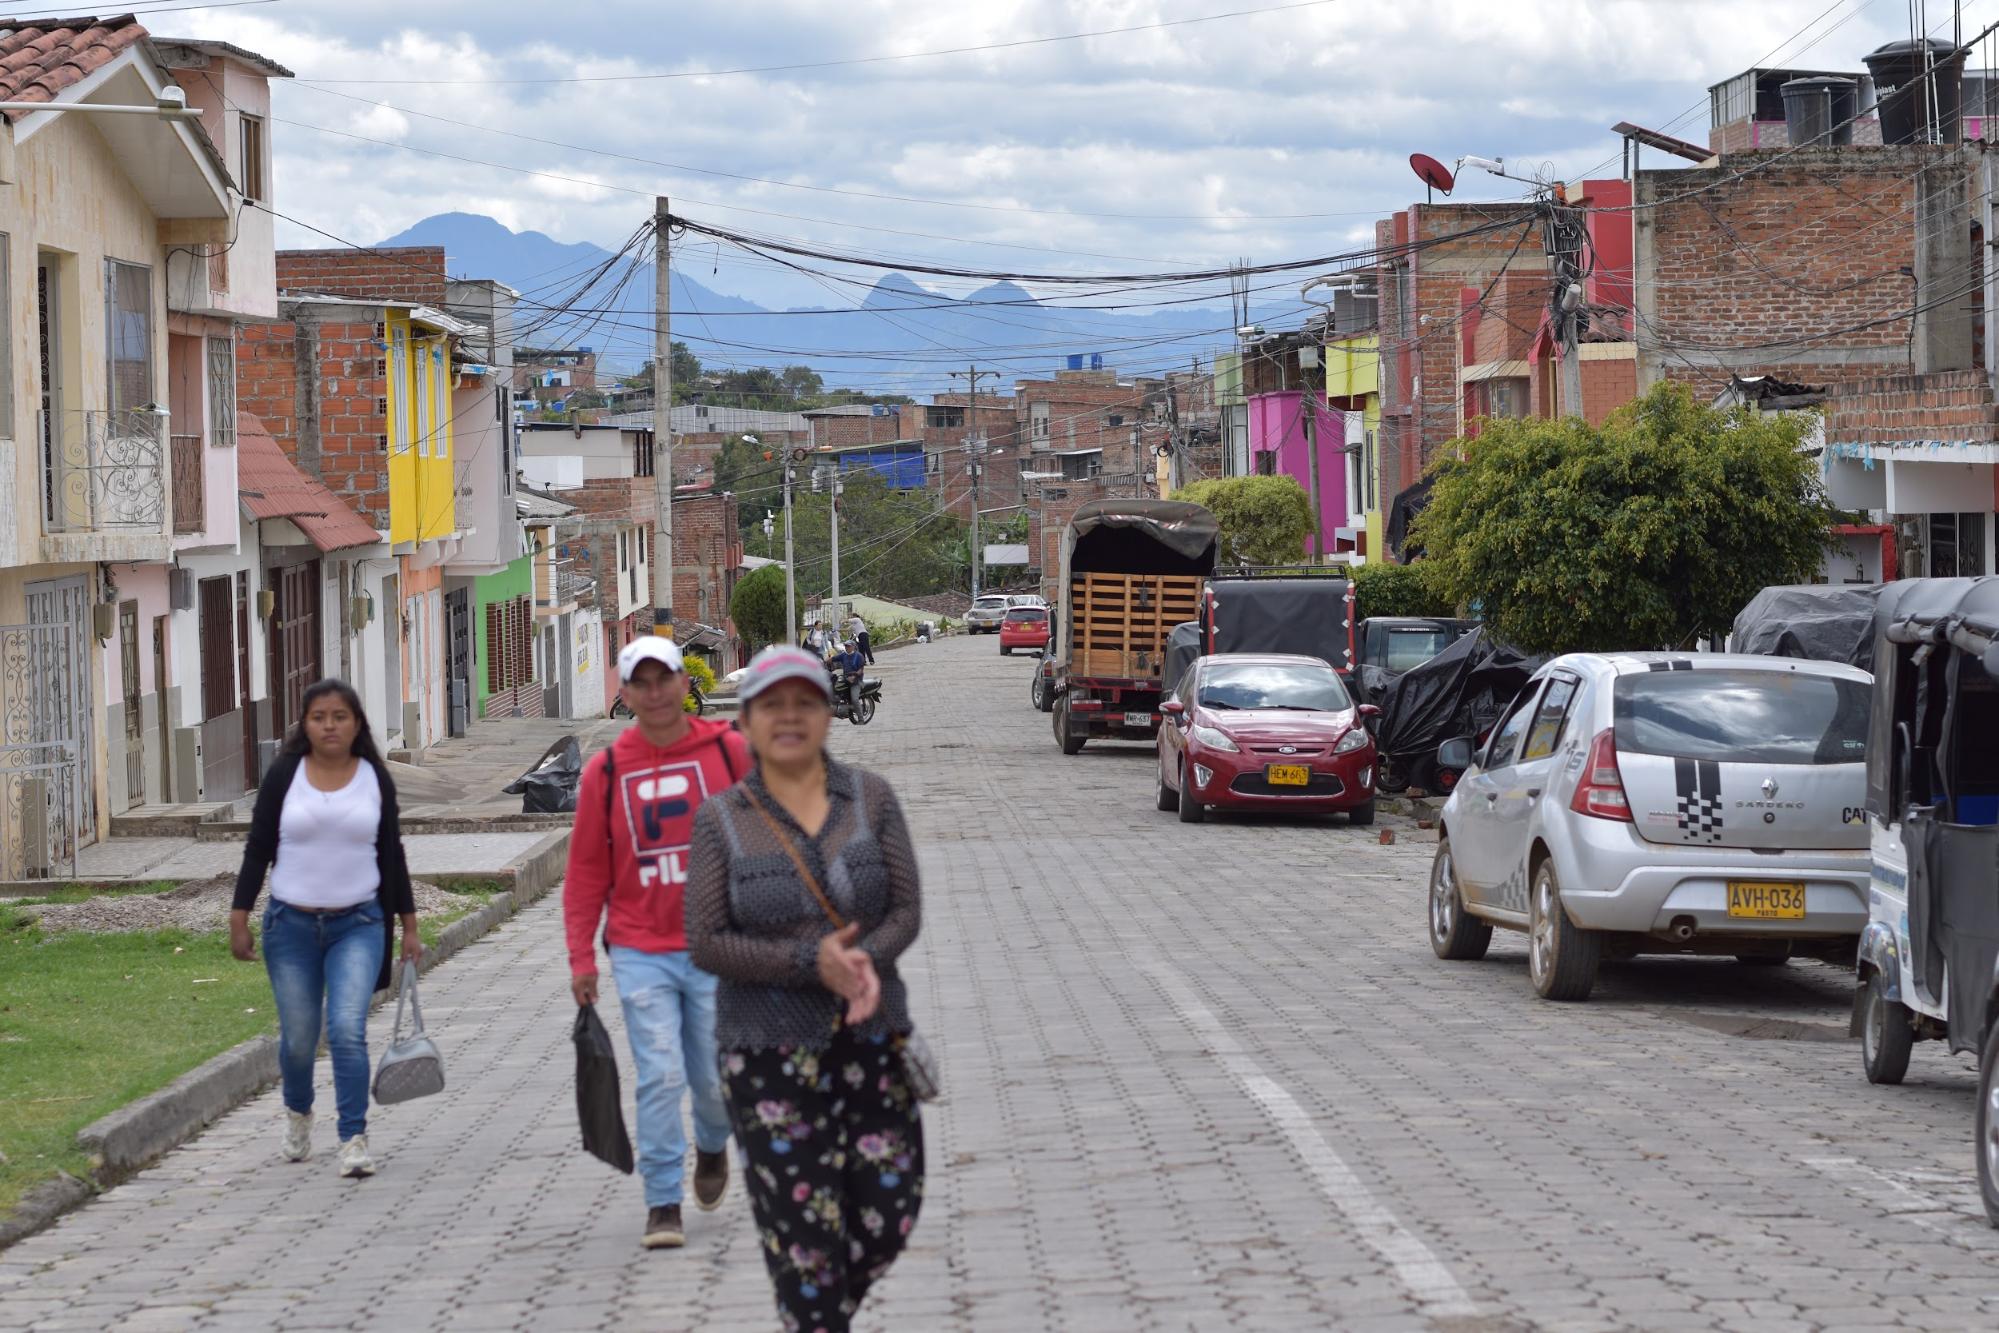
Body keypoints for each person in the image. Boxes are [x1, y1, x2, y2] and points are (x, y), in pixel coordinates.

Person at [687, 645, 926, 1333]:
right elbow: (705, 938)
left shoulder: (871, 797)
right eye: (772, 704)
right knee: (803, 1233)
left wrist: (859, 963)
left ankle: (812, 1313)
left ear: (828, 711)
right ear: (746, 720)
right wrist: (806, 963)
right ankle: (814, 1316)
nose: (789, 716)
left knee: (888, 1209)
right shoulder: (721, 818)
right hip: (766, 1054)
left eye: (805, 702)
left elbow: (905, 908)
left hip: (873, 1039)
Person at [567, 636, 751, 1250]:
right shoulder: (607, 769)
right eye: (639, 683)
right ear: (624, 693)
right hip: (641, 948)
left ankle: (712, 1142)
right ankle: (662, 1201)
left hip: (716, 947)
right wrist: (580, 957)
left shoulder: (727, 752)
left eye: (663, 679)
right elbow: (588, 869)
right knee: (658, 1075)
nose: (653, 693)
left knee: (712, 1081)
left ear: (683, 682)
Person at [229, 679, 420, 1180]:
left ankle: (353, 1137)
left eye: (340, 716)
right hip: (289, 926)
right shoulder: (284, 775)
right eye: (319, 717)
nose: (329, 725)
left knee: (346, 1030)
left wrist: (410, 925)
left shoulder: (374, 777)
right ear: (304, 724)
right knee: (298, 1038)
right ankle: (298, 1112)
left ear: (357, 723)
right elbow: (258, 847)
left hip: (358, 923)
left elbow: (392, 854)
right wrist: (239, 915)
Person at [832, 638, 867, 715]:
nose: (846, 647)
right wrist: (823, 661)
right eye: (845, 646)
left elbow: (861, 670)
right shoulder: (844, 655)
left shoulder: (859, 656)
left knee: (854, 699)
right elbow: (833, 659)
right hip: (846, 679)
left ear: (853, 647)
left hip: (856, 681)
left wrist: (854, 677)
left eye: (848, 646)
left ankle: (861, 718)